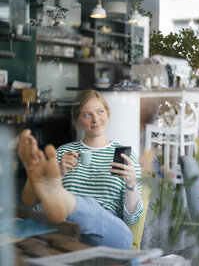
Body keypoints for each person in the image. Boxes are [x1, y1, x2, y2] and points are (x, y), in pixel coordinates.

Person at [18, 89, 143, 249]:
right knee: (50, 210)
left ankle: (62, 197)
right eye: (87, 115)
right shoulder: (63, 152)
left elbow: (132, 219)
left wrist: (131, 183)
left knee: (91, 211)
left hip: (110, 234)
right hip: (66, 228)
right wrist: (60, 174)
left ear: (107, 114)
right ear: (77, 120)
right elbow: (39, 209)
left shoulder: (126, 157)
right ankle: (55, 192)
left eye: (100, 112)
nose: (95, 119)